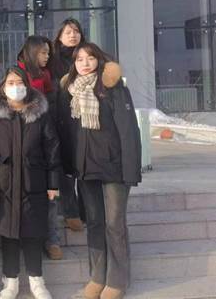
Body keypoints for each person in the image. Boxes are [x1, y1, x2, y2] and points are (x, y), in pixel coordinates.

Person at [59, 43, 141, 299]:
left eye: (90, 58)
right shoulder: (70, 91)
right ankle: (97, 277)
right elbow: (68, 132)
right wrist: (70, 166)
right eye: (79, 59)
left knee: (114, 224)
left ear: (99, 59)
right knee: (94, 223)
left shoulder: (112, 87)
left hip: (114, 167)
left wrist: (131, 169)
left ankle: (117, 280)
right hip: (86, 168)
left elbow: (128, 130)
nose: (84, 63)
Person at [0, 66, 60, 299]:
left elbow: (52, 148)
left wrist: (53, 183)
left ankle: (37, 280)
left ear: (27, 86)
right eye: (10, 83)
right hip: (5, 185)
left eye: (19, 82)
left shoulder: (40, 114)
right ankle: (10, 281)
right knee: (8, 234)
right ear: (2, 87)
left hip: (34, 183)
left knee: (33, 233)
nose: (15, 87)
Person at [16, 35, 63, 261]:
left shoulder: (44, 74)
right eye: (43, 52)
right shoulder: (17, 73)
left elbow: (50, 102)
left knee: (50, 196)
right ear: (33, 52)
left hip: (43, 133)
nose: (46, 57)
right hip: (21, 138)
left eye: (48, 53)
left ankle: (52, 239)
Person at [51, 18, 87, 232]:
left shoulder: (88, 57)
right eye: (68, 32)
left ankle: (86, 211)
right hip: (62, 119)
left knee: (85, 167)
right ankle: (70, 212)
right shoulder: (53, 61)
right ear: (59, 37)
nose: (73, 35)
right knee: (65, 170)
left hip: (85, 120)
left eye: (76, 31)